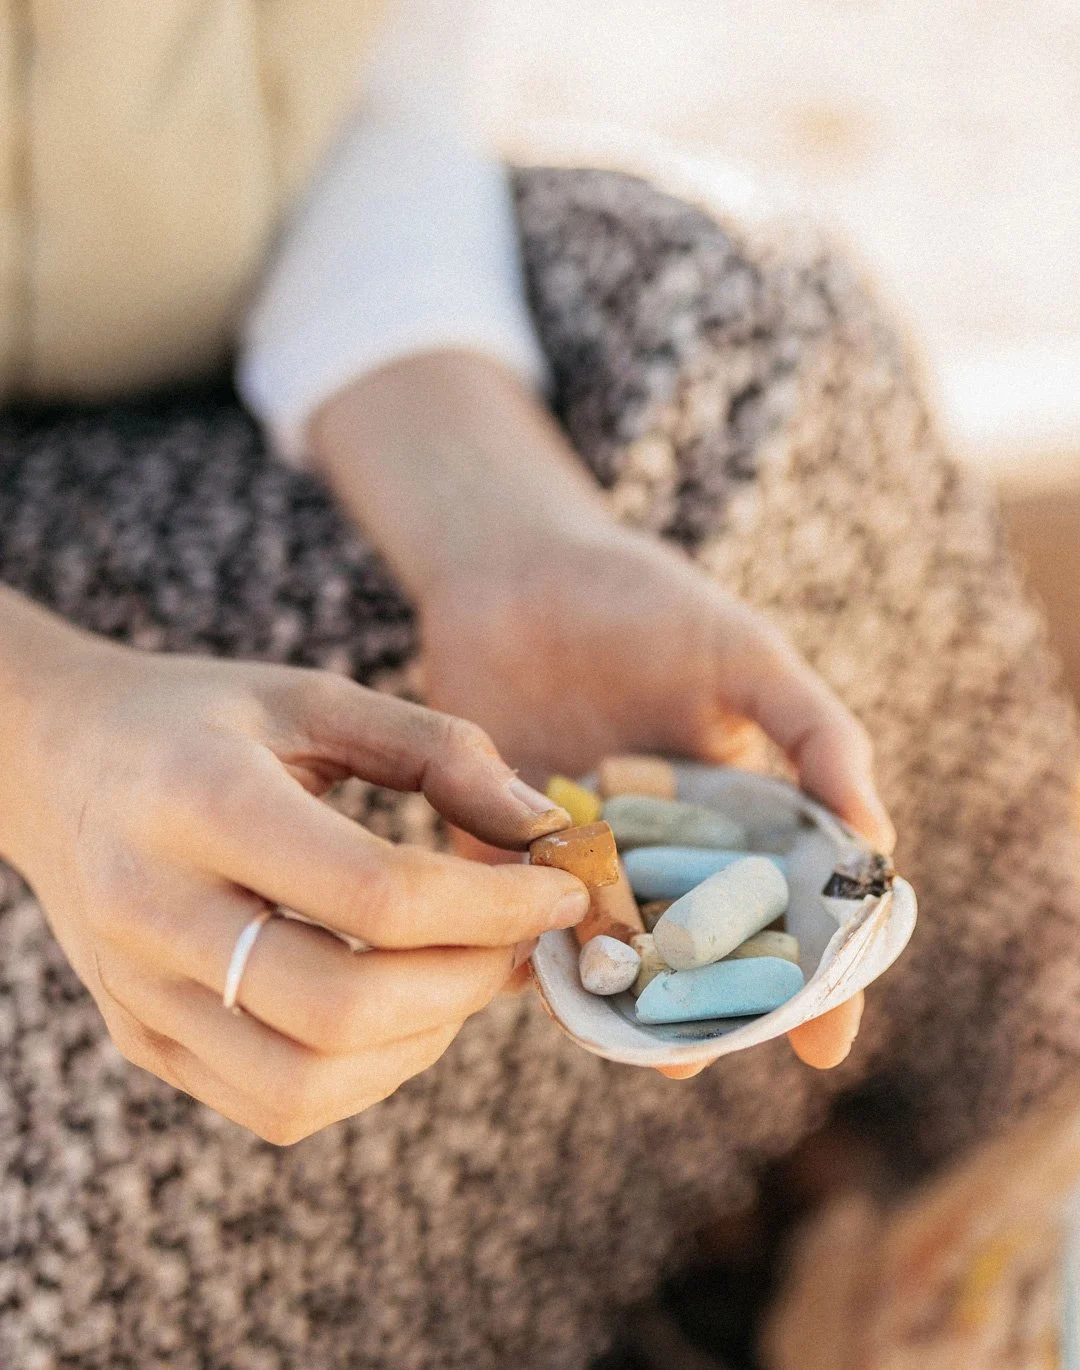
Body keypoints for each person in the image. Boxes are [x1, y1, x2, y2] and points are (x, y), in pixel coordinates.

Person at [2, 3, 1079, 1367]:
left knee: (771, 372)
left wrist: (504, 529)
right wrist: (41, 741)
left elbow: (364, 84)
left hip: (267, 363)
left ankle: (971, 1194)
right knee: (89, 1119)